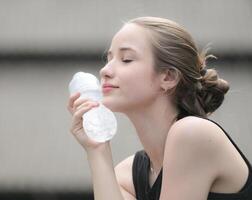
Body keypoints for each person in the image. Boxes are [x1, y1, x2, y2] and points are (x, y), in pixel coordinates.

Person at [67, 17, 252, 200]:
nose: (105, 70)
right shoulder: (127, 176)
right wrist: (97, 149)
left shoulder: (193, 133)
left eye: (126, 59)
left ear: (168, 77)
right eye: (108, 59)